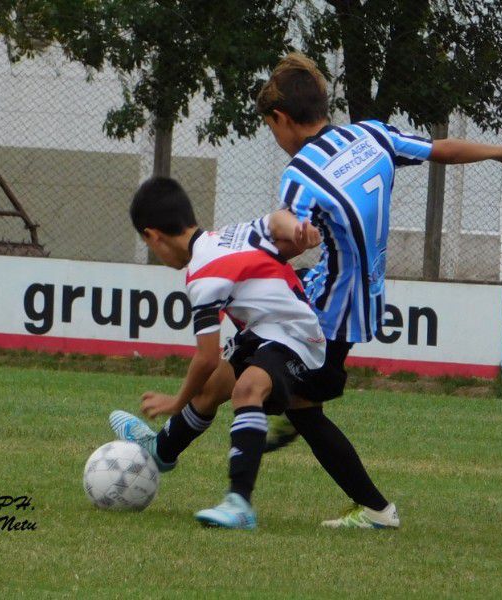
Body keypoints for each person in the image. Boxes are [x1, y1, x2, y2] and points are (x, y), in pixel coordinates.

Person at [253, 52, 502, 526]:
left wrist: (241, 260)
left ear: (282, 118)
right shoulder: (370, 134)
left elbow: (285, 242)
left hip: (328, 304)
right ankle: (275, 413)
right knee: (276, 380)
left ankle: (373, 508)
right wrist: (501, 152)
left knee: (258, 377)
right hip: (362, 297)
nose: (276, 138)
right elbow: (441, 151)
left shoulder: (301, 174)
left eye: (272, 129)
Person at [110, 177, 398, 530]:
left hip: (296, 336)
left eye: (149, 244)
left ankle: (239, 503)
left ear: (154, 235)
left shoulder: (203, 277)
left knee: (248, 389)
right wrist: (295, 228)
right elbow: (276, 220)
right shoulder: (230, 235)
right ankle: (161, 451)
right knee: (219, 390)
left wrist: (174, 400)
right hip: (265, 332)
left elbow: (206, 357)